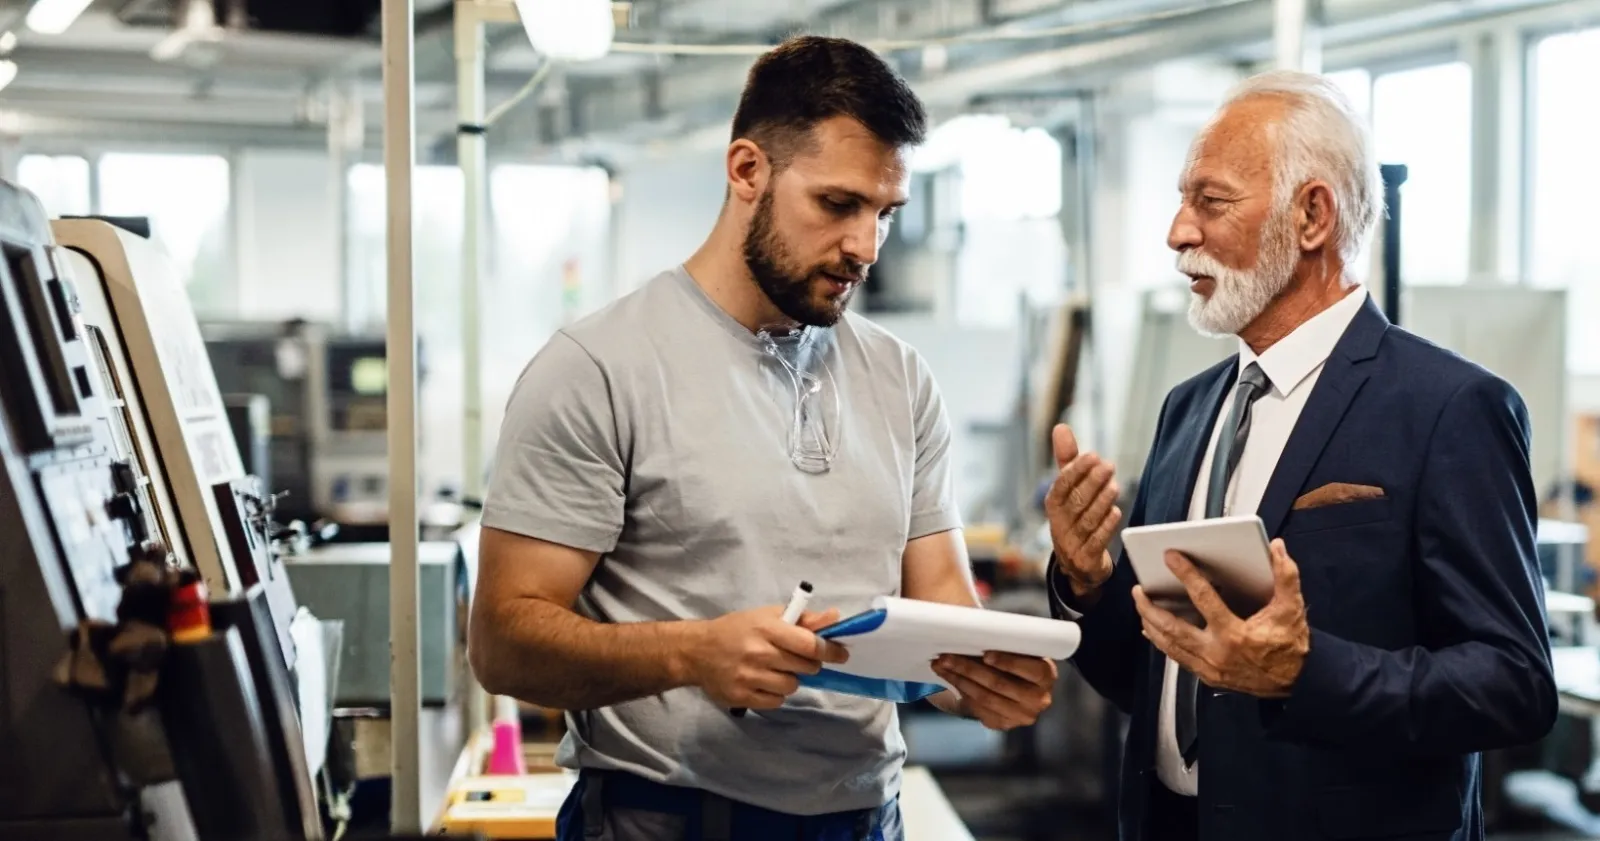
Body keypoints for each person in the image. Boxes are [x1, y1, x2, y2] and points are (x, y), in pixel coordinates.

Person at [469, 35, 1057, 841]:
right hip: (663, 819)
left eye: (885, 213)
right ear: (747, 171)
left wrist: (979, 680)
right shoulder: (599, 366)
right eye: (838, 205)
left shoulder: (901, 377)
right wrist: (691, 652)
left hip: (863, 817)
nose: (866, 248)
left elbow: (944, 610)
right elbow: (503, 642)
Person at [1046, 70, 1557, 841]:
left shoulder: (1448, 408)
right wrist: (1089, 583)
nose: (1178, 232)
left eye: (1209, 201)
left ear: (1311, 215)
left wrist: (1305, 670)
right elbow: (1154, 676)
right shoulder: (1189, 409)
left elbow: (1513, 683)